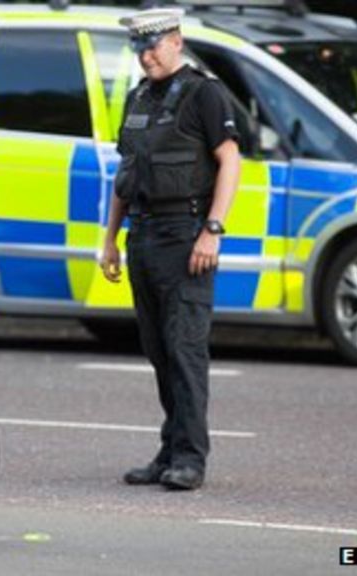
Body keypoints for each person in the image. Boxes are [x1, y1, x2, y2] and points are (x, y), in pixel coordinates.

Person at [101, 8, 241, 491]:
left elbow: (230, 161)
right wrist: (110, 240)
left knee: (185, 350)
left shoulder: (204, 92)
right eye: (139, 47)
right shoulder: (139, 96)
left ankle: (191, 458)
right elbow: (126, 176)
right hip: (142, 236)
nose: (145, 54)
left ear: (176, 41)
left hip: (186, 235)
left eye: (154, 45)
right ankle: (169, 449)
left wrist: (213, 229)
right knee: (158, 350)